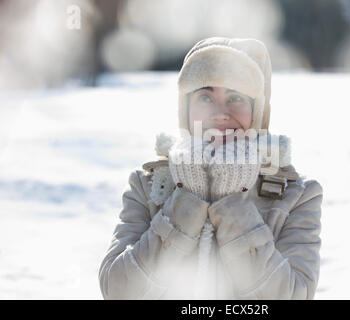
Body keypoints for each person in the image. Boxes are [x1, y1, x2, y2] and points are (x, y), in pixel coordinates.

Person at [98, 37, 323, 300]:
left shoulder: (296, 195)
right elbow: (119, 292)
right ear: (185, 108)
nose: (219, 113)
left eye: (236, 97)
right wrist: (187, 201)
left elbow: (294, 295)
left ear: (258, 111)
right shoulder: (150, 185)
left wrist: (232, 203)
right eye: (205, 96)